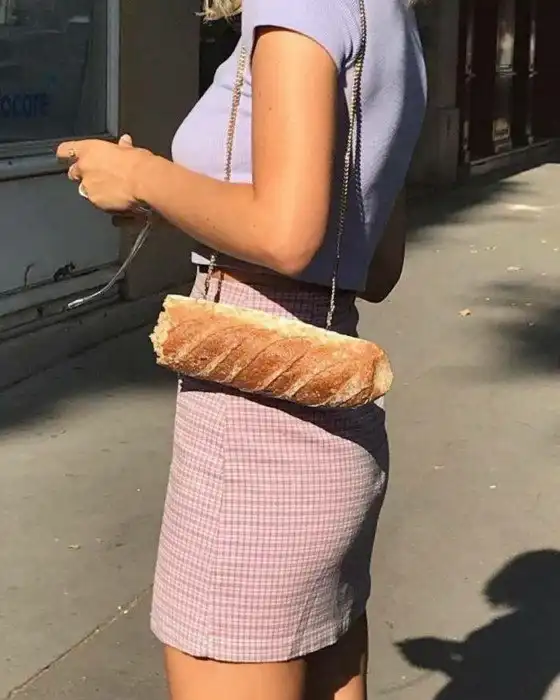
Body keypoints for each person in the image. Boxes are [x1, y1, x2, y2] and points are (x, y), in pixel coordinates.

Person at [57, 0, 426, 697]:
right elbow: (376, 265)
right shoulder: (392, 20)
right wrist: (175, 202)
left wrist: (137, 174)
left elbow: (287, 236)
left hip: (251, 425)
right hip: (335, 416)